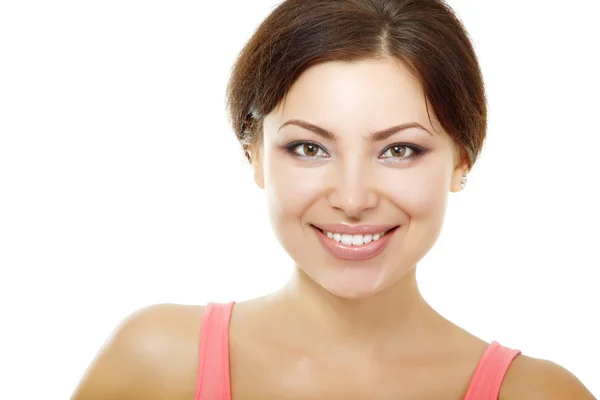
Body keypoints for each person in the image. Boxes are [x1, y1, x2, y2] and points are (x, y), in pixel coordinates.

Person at [71, 0, 595, 399]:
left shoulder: (538, 393)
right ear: (254, 155)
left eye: (399, 149)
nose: (352, 198)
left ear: (462, 161)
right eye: (309, 147)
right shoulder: (157, 361)